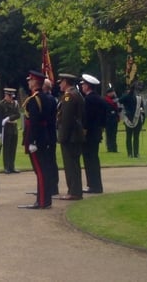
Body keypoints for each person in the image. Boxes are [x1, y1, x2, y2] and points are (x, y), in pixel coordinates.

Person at [18, 70, 54, 209]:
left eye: (30, 80)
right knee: (43, 170)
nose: (28, 82)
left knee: (40, 171)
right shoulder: (47, 98)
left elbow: (34, 122)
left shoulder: (35, 99)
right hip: (45, 137)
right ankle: (45, 199)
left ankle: (42, 201)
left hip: (37, 139)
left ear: (35, 82)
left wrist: (32, 141)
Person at [56, 73, 85, 201]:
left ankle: (74, 191)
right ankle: (75, 190)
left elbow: (66, 119)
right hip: (76, 134)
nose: (60, 84)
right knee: (74, 164)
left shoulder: (69, 96)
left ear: (66, 82)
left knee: (71, 165)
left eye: (61, 82)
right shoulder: (76, 94)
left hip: (70, 136)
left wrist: (62, 137)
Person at [80, 73, 107, 193]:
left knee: (89, 159)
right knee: (94, 159)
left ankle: (93, 185)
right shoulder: (100, 99)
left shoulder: (88, 100)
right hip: (97, 132)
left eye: (84, 84)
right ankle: (96, 184)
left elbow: (86, 118)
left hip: (89, 133)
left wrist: (83, 131)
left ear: (88, 86)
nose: (82, 86)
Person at [42, 78, 60, 197]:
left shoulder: (47, 99)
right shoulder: (52, 99)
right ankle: (51, 186)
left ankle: (50, 186)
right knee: (51, 161)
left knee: (48, 161)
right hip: (51, 134)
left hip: (47, 133)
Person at [0, 88, 21, 174]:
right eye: (10, 96)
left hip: (13, 128)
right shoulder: (1, 104)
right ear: (6, 95)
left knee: (13, 148)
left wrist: (9, 118)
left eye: (12, 96)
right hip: (6, 129)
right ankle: (6, 167)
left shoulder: (15, 104)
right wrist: (0, 132)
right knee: (6, 148)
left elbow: (18, 115)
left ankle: (12, 166)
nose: (11, 98)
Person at [119, 84, 145, 158]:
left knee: (128, 137)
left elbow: (119, 101)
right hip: (137, 119)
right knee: (136, 138)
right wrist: (143, 120)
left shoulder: (126, 96)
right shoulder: (139, 98)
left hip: (128, 119)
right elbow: (142, 109)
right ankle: (136, 153)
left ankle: (129, 154)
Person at [103, 87, 120, 152]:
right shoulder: (106, 100)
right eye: (112, 92)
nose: (113, 93)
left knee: (114, 134)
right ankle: (110, 148)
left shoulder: (115, 100)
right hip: (108, 119)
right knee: (109, 134)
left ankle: (114, 148)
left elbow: (118, 108)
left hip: (114, 119)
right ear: (108, 93)